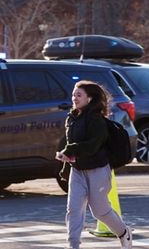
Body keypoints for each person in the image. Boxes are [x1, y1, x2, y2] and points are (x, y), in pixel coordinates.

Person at [56, 80, 132, 249]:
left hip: (98, 170)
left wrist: (70, 150)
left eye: (79, 95)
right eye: (73, 94)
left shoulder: (96, 120)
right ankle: (73, 245)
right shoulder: (71, 118)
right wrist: (67, 156)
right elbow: (73, 144)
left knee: (100, 211)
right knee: (73, 209)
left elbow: (93, 145)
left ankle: (123, 233)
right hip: (77, 171)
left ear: (89, 99)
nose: (74, 98)